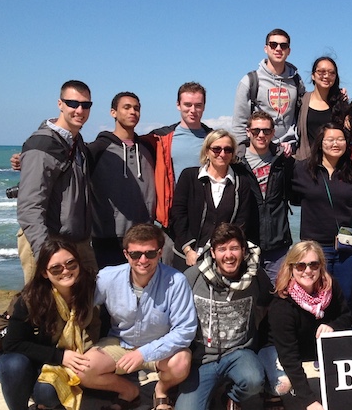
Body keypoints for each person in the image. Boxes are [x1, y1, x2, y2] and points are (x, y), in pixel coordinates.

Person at [79, 224, 196, 410]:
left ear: (160, 253)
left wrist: (143, 353)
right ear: (126, 254)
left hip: (160, 347)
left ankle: (161, 391)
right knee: (82, 370)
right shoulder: (108, 277)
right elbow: (80, 305)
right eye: (136, 254)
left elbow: (185, 331)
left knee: (182, 362)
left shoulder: (177, 281)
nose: (143, 260)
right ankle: (127, 392)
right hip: (121, 343)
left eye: (150, 253)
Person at [0, 239, 98, 410]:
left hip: (61, 364)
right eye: (56, 268)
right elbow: (12, 343)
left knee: (47, 395)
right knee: (11, 364)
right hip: (29, 361)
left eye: (71, 264)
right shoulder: (31, 298)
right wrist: (60, 356)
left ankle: (43, 407)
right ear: (44, 272)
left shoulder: (88, 291)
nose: (66, 271)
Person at [174, 223, 274, 410]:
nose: (228, 255)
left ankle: (232, 397)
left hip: (239, 353)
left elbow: (270, 306)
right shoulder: (192, 277)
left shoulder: (256, 277)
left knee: (254, 380)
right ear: (213, 252)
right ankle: (205, 392)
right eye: (222, 249)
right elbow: (173, 316)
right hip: (201, 359)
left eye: (234, 248)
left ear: (243, 251)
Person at [259, 241, 351, 410]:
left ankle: (345, 395)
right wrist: (309, 400)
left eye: (313, 265)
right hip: (277, 349)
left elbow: (347, 317)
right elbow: (288, 356)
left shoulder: (331, 287)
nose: (308, 271)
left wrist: (334, 326)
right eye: (301, 265)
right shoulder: (282, 303)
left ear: (320, 266)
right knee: (283, 385)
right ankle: (268, 388)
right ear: (291, 267)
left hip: (310, 343)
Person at [16, 80, 96, 283]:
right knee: (46, 310)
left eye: (86, 105)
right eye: (73, 103)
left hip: (77, 241)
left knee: (86, 306)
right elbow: (29, 207)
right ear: (60, 104)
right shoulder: (42, 145)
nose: (80, 110)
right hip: (49, 242)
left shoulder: (77, 143)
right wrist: (46, 253)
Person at [291, 123, 352, 310]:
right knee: (315, 300)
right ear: (320, 143)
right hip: (315, 248)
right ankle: (315, 339)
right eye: (330, 139)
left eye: (340, 139)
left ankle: (342, 338)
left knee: (344, 299)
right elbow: (290, 198)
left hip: (346, 248)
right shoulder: (303, 170)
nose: (336, 143)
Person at [170, 129, 258, 271]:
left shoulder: (241, 183)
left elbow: (242, 222)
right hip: (188, 256)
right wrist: (188, 250)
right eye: (216, 149)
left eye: (227, 150)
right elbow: (178, 216)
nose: (222, 154)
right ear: (207, 151)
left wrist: (224, 252)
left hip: (223, 260)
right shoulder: (189, 177)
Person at [87, 92, 157, 268]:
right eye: (126, 107)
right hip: (108, 237)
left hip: (144, 235)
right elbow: (66, 163)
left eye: (136, 108)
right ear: (113, 112)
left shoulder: (149, 148)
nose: (133, 112)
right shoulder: (97, 149)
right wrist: (25, 160)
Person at [238, 111, 294, 281]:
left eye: (266, 131)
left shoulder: (283, 160)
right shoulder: (236, 161)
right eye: (256, 131)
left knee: (278, 294)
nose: (261, 135)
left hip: (277, 243)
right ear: (248, 132)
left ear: (273, 132)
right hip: (246, 242)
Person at [148, 82, 213, 230]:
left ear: (204, 106)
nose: (193, 110)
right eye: (187, 105)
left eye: (198, 105)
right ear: (178, 105)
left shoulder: (214, 139)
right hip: (171, 217)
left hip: (206, 215)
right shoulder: (159, 138)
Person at [232, 28, 306, 156]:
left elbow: (305, 110)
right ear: (266, 48)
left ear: (289, 51)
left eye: (283, 46)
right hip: (259, 152)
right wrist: (241, 154)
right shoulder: (250, 81)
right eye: (273, 45)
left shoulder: (296, 81)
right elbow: (239, 122)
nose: (278, 49)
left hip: (289, 151)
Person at [296, 56, 349, 160]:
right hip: (305, 162)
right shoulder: (301, 101)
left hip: (334, 164)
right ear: (313, 75)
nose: (326, 76)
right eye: (321, 72)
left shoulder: (340, 104)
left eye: (331, 73)